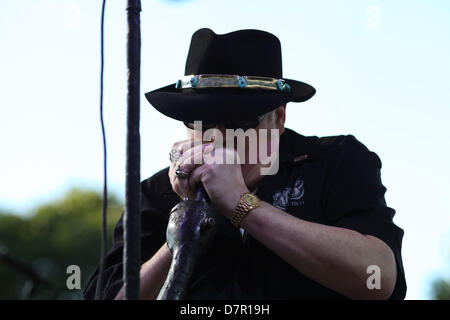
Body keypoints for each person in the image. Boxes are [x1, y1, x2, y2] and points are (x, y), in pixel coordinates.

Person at [83, 28, 406, 300]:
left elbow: (377, 278)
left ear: (278, 118)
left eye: (238, 119)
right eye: (200, 120)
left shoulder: (333, 159)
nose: (218, 136)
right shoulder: (154, 194)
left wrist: (243, 205)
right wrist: (187, 223)